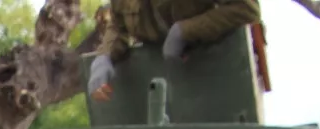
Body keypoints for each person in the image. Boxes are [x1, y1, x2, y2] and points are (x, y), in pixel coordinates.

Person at [89, 0, 262, 101]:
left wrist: (185, 31)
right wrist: (104, 56)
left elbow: (247, 9)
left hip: (224, 80)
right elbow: (119, 26)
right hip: (168, 94)